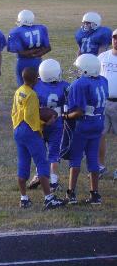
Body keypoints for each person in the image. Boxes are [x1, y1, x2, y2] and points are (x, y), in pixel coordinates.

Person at [11, 67, 66, 210]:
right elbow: (31, 117)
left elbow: (15, 112)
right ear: (35, 79)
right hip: (30, 131)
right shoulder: (32, 95)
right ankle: (48, 198)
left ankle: (23, 198)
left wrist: (17, 126)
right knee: (42, 163)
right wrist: (43, 124)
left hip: (18, 129)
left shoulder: (19, 91)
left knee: (23, 163)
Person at [64, 54, 108, 205]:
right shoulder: (103, 80)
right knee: (93, 159)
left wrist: (66, 116)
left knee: (75, 158)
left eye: (79, 68)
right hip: (98, 122)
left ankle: (71, 193)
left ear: (87, 69)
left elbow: (79, 111)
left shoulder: (80, 84)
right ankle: (95, 194)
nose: (77, 71)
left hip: (84, 124)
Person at [28, 59, 70, 192]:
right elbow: (69, 105)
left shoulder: (36, 85)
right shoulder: (64, 86)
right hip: (56, 122)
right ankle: (53, 181)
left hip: (40, 122)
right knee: (54, 153)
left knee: (40, 151)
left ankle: (38, 175)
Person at [7, 10, 51, 86]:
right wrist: (37, 54)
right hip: (37, 61)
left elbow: (21, 52)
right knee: (37, 85)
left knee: (23, 87)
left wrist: (31, 53)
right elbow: (48, 48)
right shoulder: (41, 28)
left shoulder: (16, 32)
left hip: (23, 62)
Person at [97, 28, 117, 179]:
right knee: (100, 135)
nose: (116, 41)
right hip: (103, 102)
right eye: (114, 38)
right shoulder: (102, 57)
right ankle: (100, 166)